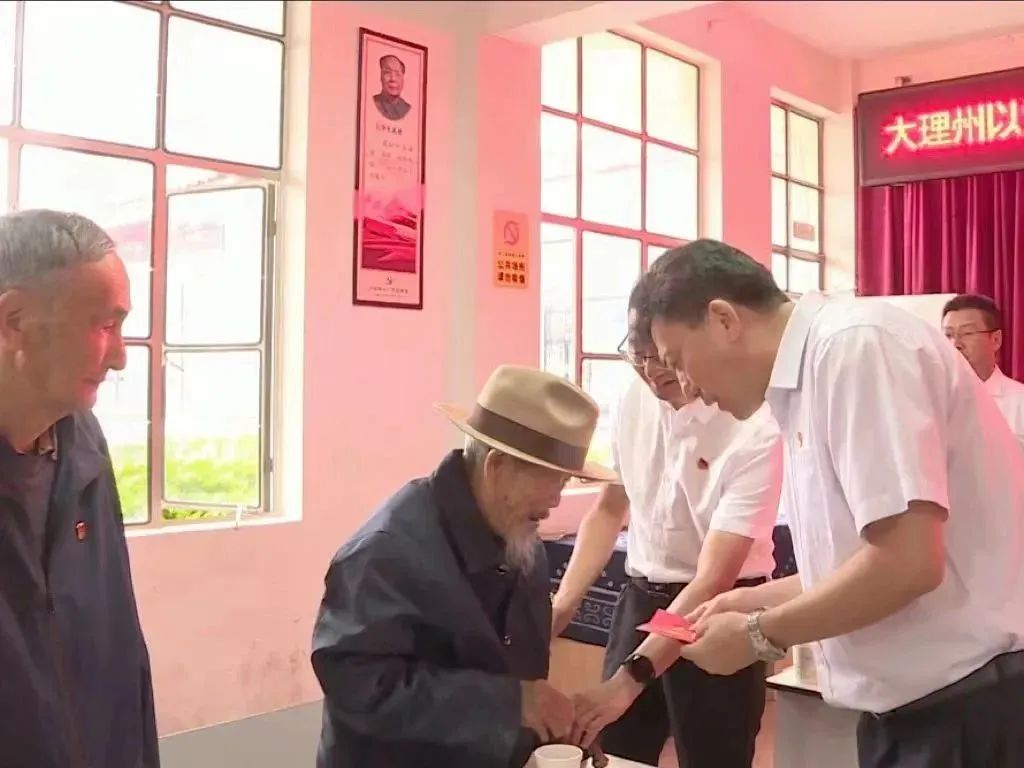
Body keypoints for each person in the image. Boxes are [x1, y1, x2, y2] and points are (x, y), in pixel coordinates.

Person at [633, 238, 1024, 768]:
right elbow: (860, 561)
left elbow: (908, 563)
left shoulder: (855, 348)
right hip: (916, 711)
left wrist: (758, 635)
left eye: (677, 361)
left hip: (969, 708)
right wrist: (750, 602)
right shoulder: (802, 385)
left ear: (724, 319)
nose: (686, 387)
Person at [311, 365, 617, 768]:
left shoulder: (521, 540)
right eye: (552, 480)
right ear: (497, 467)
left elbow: (515, 676)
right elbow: (358, 686)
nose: (556, 501)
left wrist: (553, 730)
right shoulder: (386, 553)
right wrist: (513, 704)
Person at [550, 307, 782, 767]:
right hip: (642, 597)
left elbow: (712, 580)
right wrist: (563, 605)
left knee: (715, 755)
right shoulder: (634, 398)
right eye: (637, 357)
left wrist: (630, 678)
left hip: (717, 609)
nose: (651, 372)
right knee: (614, 747)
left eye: (661, 359)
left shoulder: (756, 422)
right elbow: (610, 508)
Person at [0, 209, 158, 767]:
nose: (120, 357)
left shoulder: (83, 446)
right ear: (14, 320)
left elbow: (123, 656)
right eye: (104, 325)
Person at [942, 293, 1024, 449]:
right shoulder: (935, 401)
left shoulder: (1020, 402)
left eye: (967, 333)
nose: (955, 344)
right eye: (948, 335)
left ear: (996, 340)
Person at [373, 54, 411, 121]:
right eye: (387, 72)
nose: (393, 79)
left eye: (397, 74)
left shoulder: (407, 108)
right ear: (380, 77)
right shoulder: (373, 103)